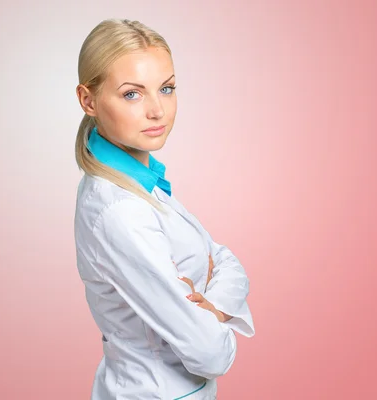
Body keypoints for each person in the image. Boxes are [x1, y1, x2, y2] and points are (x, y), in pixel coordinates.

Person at [73, 19, 255, 400]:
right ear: (88, 100)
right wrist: (221, 317)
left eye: (167, 88)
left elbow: (226, 261)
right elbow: (211, 354)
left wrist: (211, 307)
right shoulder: (120, 211)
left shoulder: (142, 183)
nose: (158, 110)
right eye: (132, 95)